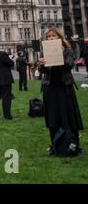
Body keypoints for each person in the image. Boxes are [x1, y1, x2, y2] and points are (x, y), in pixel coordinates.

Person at [38, 28, 84, 156]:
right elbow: (43, 72)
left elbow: (69, 65)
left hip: (64, 88)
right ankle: (54, 144)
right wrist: (41, 65)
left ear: (59, 37)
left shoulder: (68, 51)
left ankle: (74, 145)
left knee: (69, 116)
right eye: (48, 36)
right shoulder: (44, 51)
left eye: (53, 36)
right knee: (53, 117)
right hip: (50, 88)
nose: (51, 38)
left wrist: (58, 57)